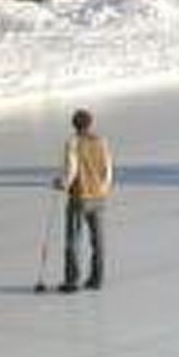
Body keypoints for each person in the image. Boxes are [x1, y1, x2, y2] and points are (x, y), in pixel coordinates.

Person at [54, 108, 113, 293]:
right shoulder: (101, 142)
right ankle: (97, 278)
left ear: (74, 125)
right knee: (98, 240)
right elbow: (108, 170)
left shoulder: (72, 143)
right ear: (90, 123)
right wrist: (103, 189)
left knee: (73, 239)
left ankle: (72, 281)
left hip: (79, 197)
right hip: (98, 196)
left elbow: (71, 170)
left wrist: (61, 183)